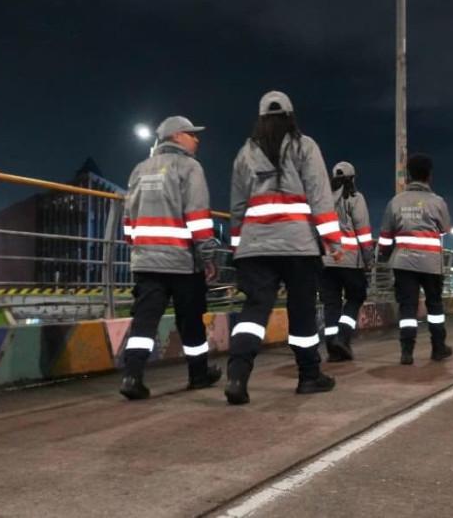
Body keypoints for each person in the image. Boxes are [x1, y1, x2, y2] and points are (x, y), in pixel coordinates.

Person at [225, 90, 343, 405]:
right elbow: (320, 195)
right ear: (291, 116)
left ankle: (237, 375)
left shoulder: (244, 153)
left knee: (253, 310)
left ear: (261, 118)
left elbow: (237, 207)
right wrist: (332, 239)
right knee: (301, 312)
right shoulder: (305, 146)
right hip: (298, 246)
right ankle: (308, 377)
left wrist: (237, 247)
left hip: (255, 246)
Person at [118, 115, 222, 400]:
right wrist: (208, 256)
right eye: (191, 133)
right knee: (190, 320)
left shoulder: (139, 169)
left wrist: (138, 245)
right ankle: (198, 375)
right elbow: (198, 216)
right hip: (181, 261)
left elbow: (128, 219)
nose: (196, 139)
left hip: (145, 260)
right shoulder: (189, 167)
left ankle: (132, 377)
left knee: (144, 320)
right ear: (176, 136)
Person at [377, 153, 452, 365]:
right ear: (429, 175)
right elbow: (445, 229)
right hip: (430, 263)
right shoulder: (437, 202)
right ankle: (438, 348)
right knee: (435, 306)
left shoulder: (395, 202)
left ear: (408, 174)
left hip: (403, 262)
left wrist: (383, 254)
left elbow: (385, 234)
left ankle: (407, 352)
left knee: (407, 308)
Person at [320, 161, 374, 361]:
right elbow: (363, 231)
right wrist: (368, 259)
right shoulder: (355, 198)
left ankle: (332, 349)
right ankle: (342, 337)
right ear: (352, 178)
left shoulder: (322, 200)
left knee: (331, 304)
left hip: (326, 260)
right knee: (355, 298)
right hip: (350, 260)